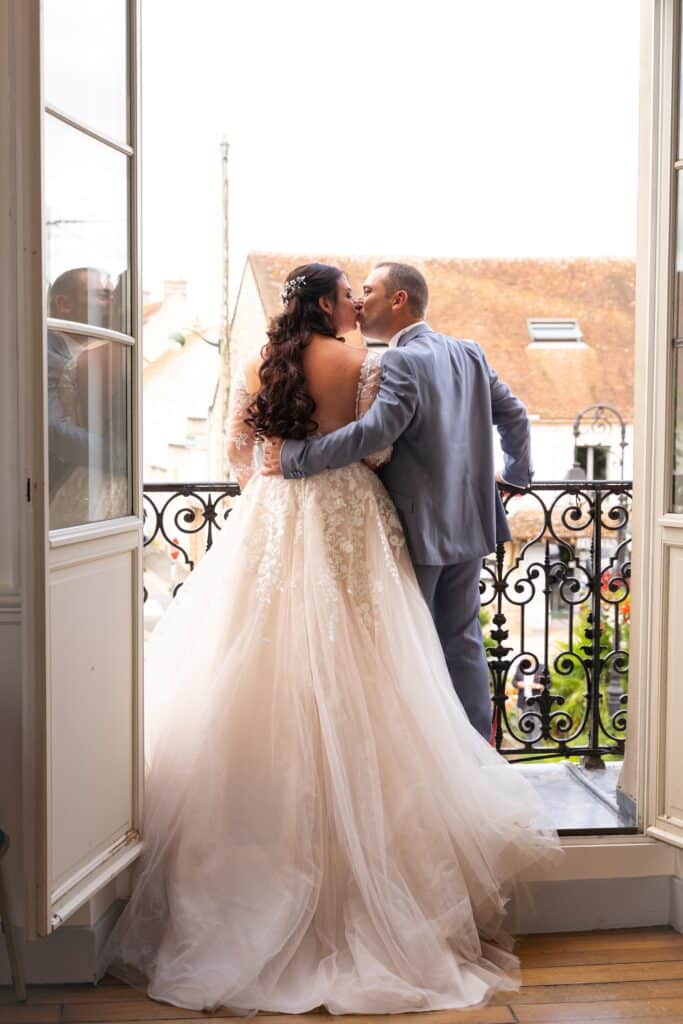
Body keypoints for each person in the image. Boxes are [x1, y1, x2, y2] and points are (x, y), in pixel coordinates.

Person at [99, 262, 561, 1015]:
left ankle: (256, 843)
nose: (359, 302)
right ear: (326, 303)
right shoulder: (376, 362)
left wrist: (276, 484)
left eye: (367, 293)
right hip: (363, 518)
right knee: (386, 666)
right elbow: (376, 450)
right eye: (349, 293)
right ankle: (466, 761)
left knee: (255, 658)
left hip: (277, 514)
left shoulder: (261, 360)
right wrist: (506, 477)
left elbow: (240, 452)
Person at [264, 262, 531, 742]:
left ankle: (431, 756)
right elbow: (514, 416)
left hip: (418, 524)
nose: (360, 301)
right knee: (462, 639)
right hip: (473, 521)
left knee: (414, 644)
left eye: (369, 291)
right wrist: (516, 476)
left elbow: (376, 433)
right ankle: (475, 753)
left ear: (400, 300)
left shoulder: (400, 360)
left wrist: (297, 458)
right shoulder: (468, 352)